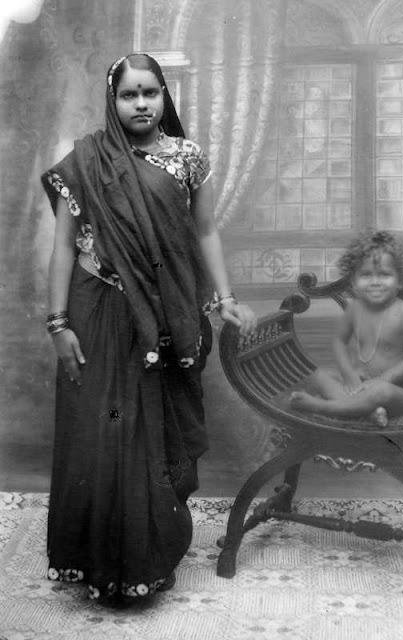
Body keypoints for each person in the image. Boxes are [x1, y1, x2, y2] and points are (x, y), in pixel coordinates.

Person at [41, 53, 256, 604]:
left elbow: (205, 232)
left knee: (148, 433)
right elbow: (65, 246)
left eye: (150, 93)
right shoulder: (86, 161)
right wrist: (58, 323)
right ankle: (94, 563)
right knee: (102, 433)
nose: (141, 104)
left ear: (166, 96)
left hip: (160, 315)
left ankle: (145, 561)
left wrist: (225, 297)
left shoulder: (187, 159)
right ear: (112, 101)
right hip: (95, 309)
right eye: (128, 95)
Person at [290, 230, 403, 426]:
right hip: (361, 384)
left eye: (385, 275)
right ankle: (366, 413)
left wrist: (384, 379)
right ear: (353, 281)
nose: (375, 282)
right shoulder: (355, 308)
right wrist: (349, 374)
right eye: (366, 275)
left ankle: (323, 407)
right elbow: (338, 341)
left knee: (380, 392)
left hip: (397, 392)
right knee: (317, 375)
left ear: (400, 281)